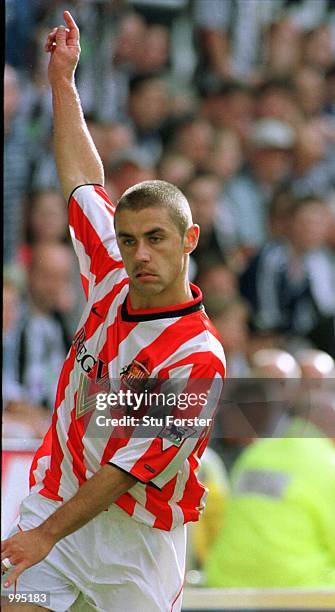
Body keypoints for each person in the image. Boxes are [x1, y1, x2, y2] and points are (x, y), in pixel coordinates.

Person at [1, 11, 226, 612]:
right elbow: (81, 178)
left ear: (190, 240)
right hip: (59, 494)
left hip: (138, 537)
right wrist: (62, 81)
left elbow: (126, 469)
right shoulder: (111, 265)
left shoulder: (198, 357)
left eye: (156, 238)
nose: (139, 254)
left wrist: (46, 536)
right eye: (129, 240)